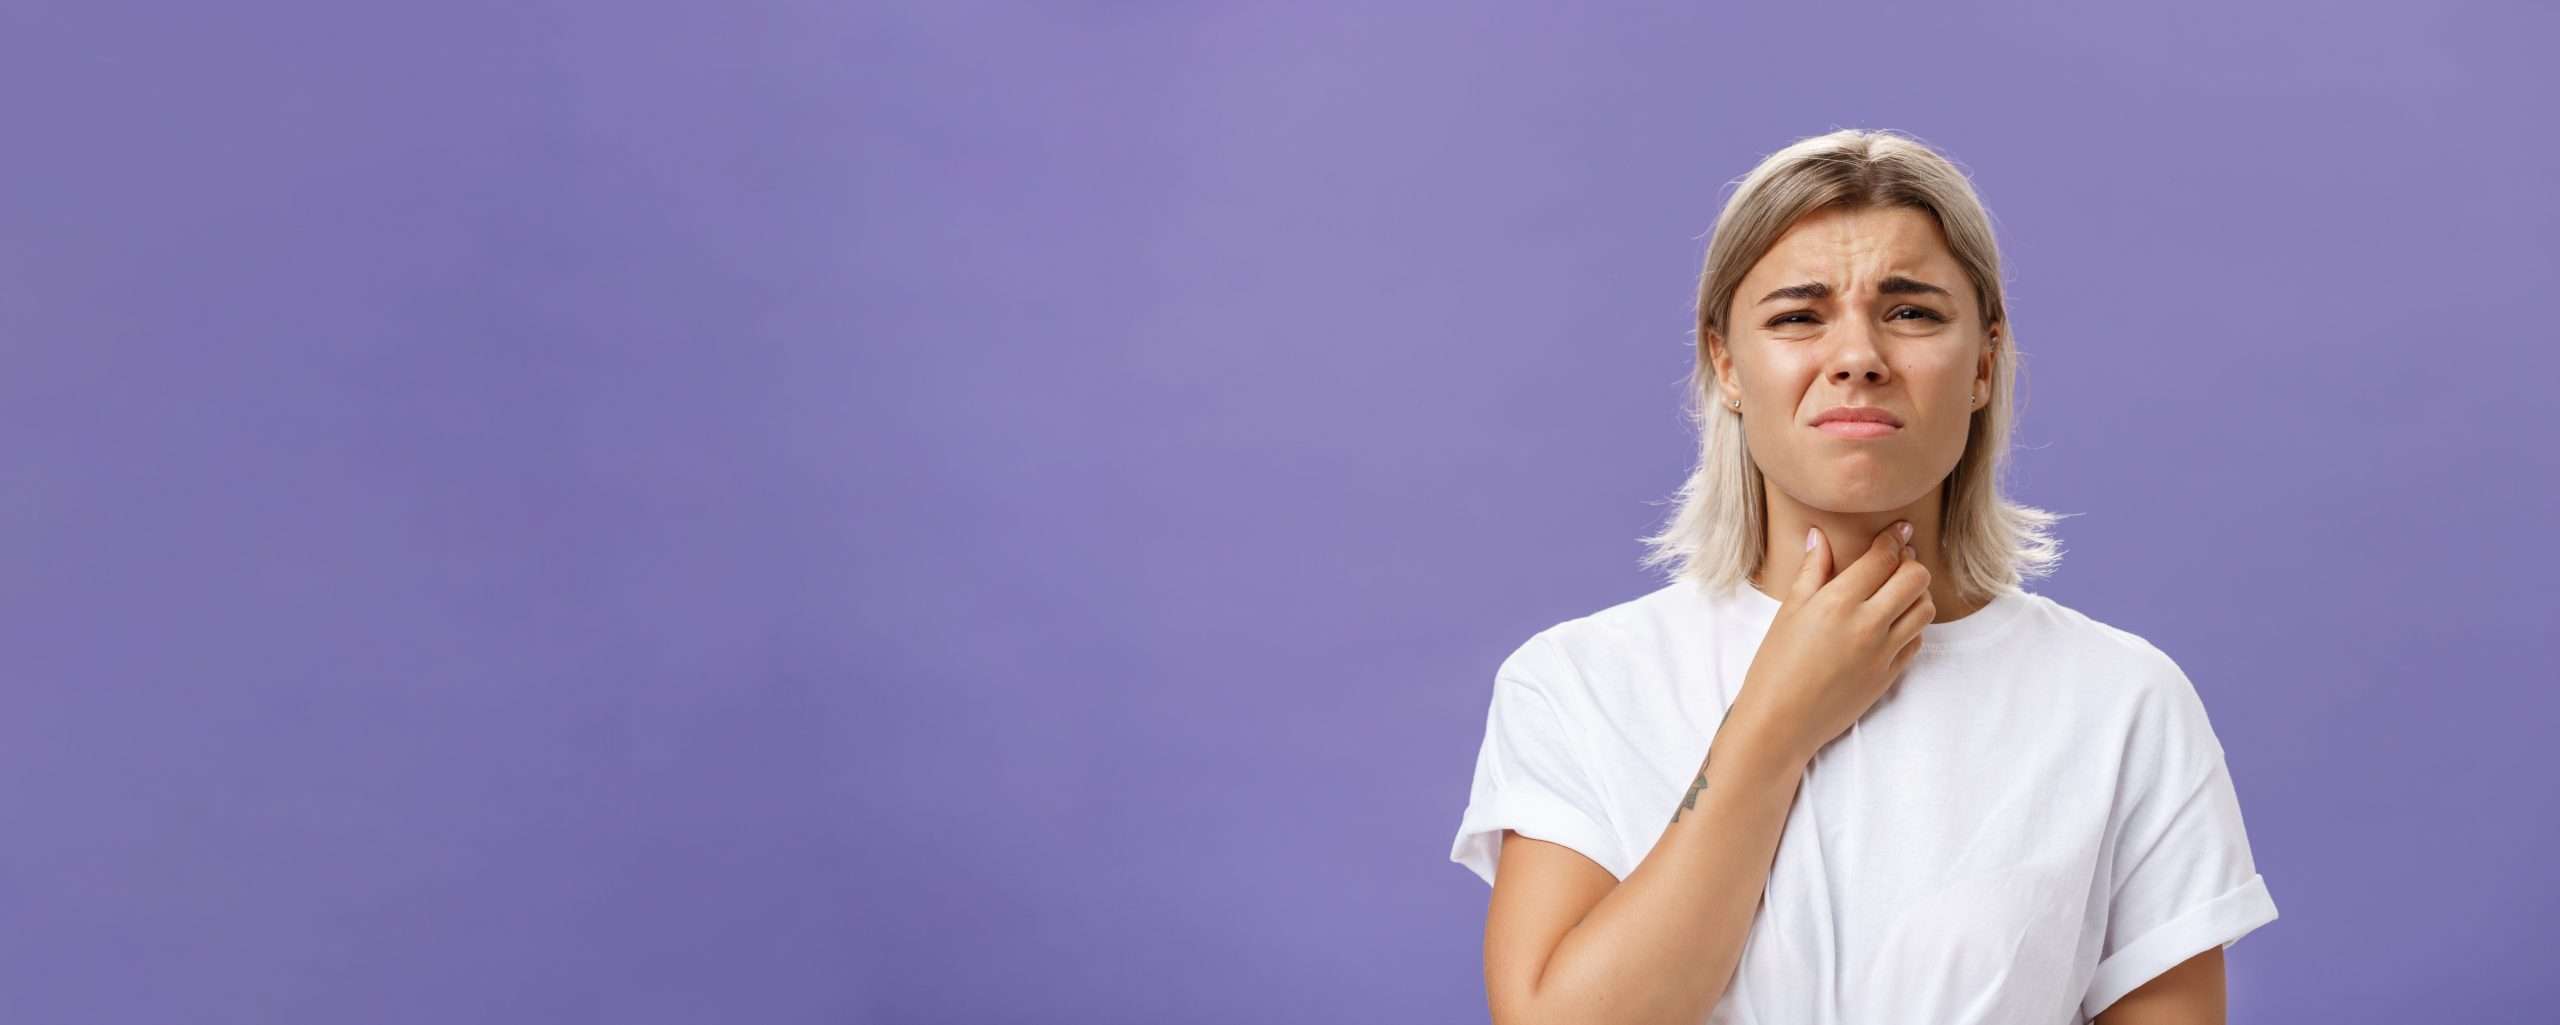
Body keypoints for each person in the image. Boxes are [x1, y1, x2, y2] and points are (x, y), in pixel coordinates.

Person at [1447, 129, 2278, 1025]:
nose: (1858, 356)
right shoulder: (1576, 683)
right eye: (1799, 316)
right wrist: (1773, 725)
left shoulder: (2123, 703)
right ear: (1726, 362)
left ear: (1985, 365)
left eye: (1911, 312)